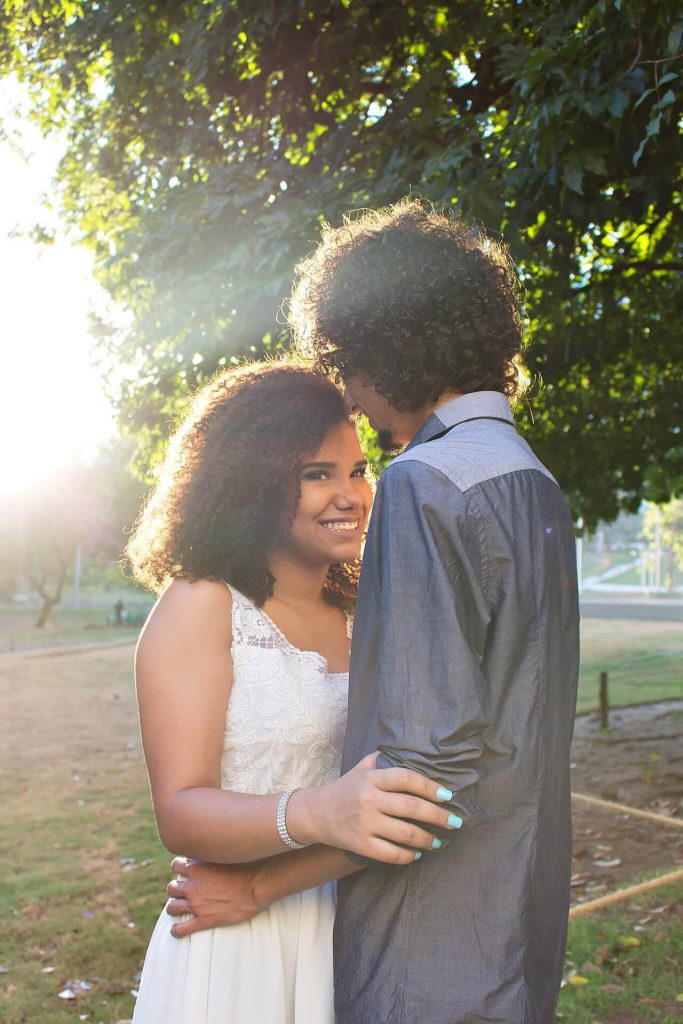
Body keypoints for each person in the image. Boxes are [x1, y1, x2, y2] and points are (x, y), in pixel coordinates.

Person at [166, 201, 580, 1024]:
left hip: (430, 940)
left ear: (385, 350)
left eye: (347, 365)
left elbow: (419, 774)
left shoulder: (426, 482)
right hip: (517, 914)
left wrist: (259, 885)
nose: (353, 391)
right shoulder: (531, 480)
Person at [127, 358, 456, 1024]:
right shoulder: (202, 604)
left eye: (358, 471)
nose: (350, 495)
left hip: (357, 924)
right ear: (252, 484)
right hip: (238, 946)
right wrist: (316, 811)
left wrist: (294, 865)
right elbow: (180, 812)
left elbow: (401, 800)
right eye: (317, 475)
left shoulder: (371, 608)